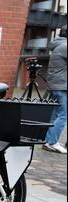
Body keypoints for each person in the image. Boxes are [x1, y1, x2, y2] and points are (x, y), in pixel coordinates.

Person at [43, 25, 67, 154]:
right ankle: (52, 142)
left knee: (54, 115)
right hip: (61, 86)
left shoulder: (58, 45)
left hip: (55, 85)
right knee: (62, 115)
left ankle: (48, 141)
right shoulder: (65, 46)